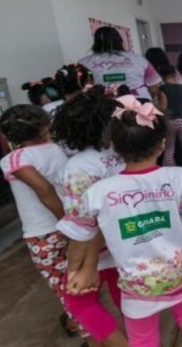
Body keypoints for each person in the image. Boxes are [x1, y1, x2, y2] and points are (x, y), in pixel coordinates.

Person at [56, 95, 182, 347]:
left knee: (144, 341)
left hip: (140, 284)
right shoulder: (178, 176)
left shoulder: (97, 192)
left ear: (114, 145)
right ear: (162, 145)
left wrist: (75, 270)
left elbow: (79, 236)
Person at [50, 86, 128, 346]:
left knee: (77, 302)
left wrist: (78, 267)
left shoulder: (78, 167)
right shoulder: (121, 153)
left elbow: (83, 225)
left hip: (96, 249)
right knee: (125, 296)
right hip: (125, 240)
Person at [0, 105, 76, 337]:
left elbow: (45, 190)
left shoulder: (15, 159)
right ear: (45, 126)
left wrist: (65, 224)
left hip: (43, 233)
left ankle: (89, 331)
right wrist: (72, 225)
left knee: (65, 288)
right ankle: (85, 325)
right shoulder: (57, 149)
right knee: (78, 279)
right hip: (71, 223)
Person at [80, 27, 162, 100]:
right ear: (120, 40)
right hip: (139, 103)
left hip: (103, 106)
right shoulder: (139, 59)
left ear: (96, 42)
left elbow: (79, 88)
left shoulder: (85, 62)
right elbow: (154, 85)